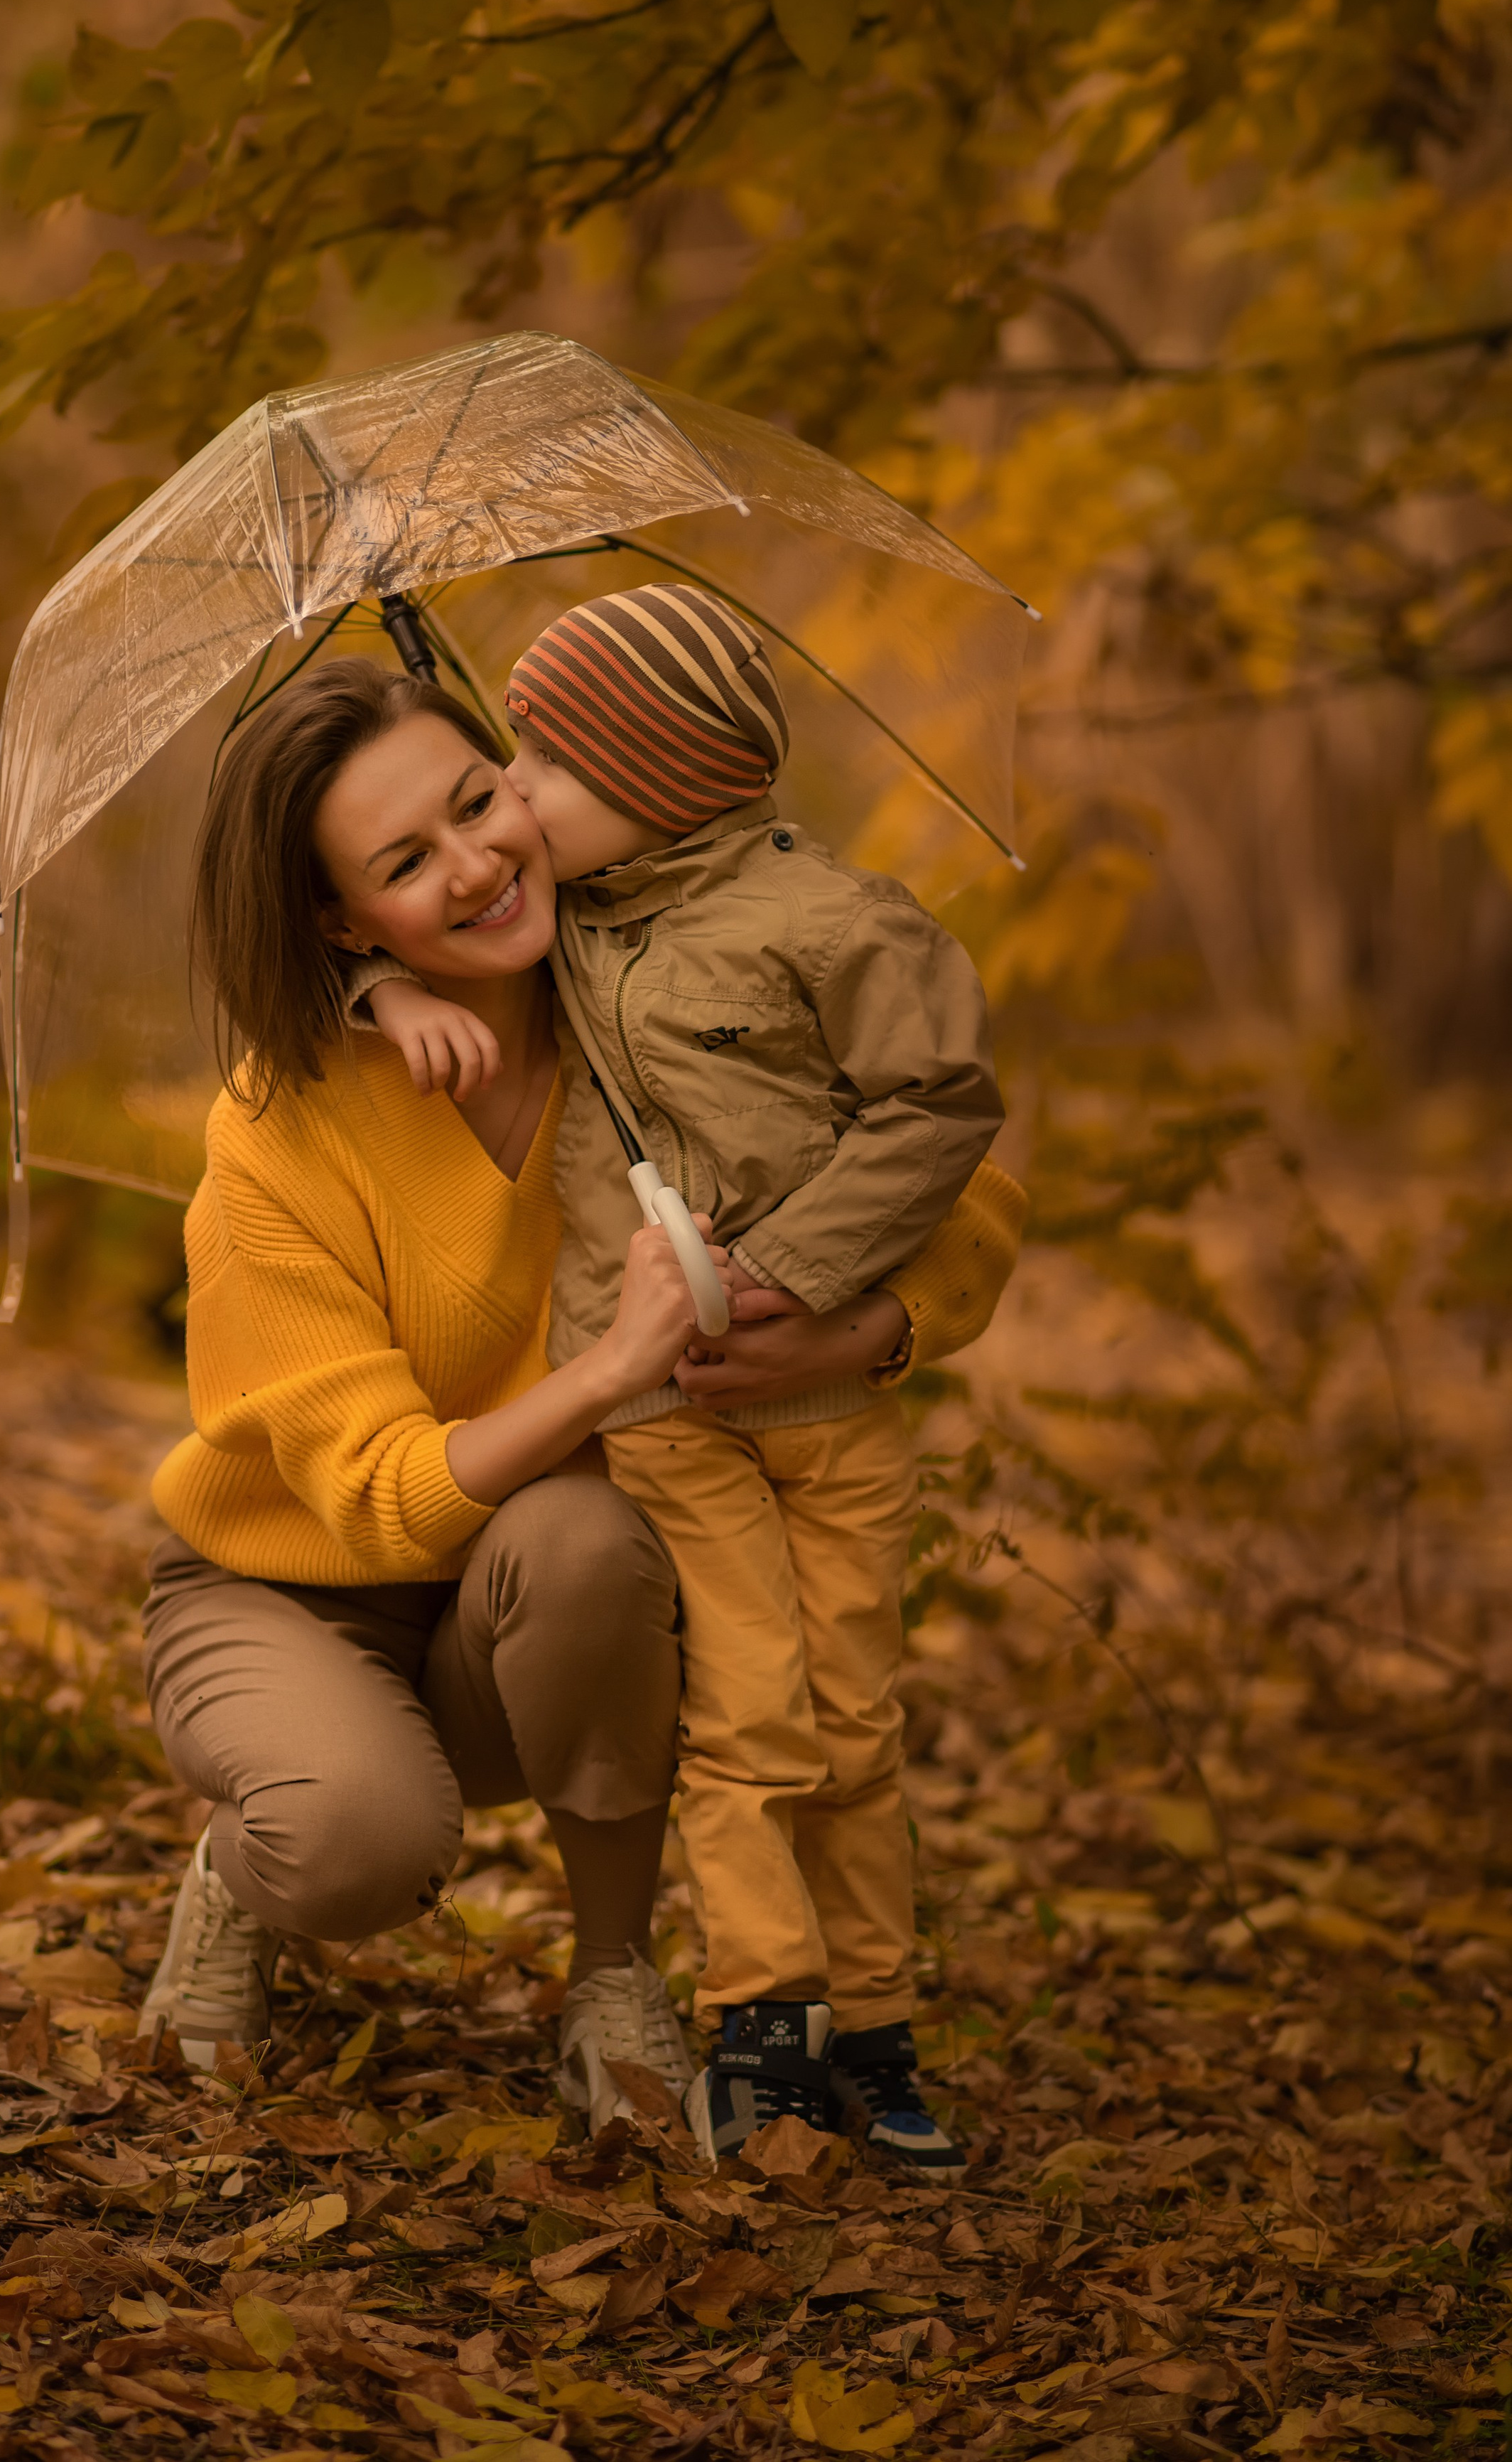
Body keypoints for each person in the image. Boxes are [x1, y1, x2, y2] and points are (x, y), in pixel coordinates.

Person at [134, 655, 941, 2143]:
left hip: (536, 1582)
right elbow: (379, 1497)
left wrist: (875, 1327)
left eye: (475, 801)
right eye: (401, 864)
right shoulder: (277, 1127)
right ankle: (240, 1879)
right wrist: (612, 1370)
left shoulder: (659, 997)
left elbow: (949, 1167)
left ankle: (612, 1977)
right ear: (339, 920)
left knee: (587, 1537)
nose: (475, 865)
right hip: (295, 1583)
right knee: (355, 1839)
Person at [362, 584, 1023, 2176]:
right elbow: (351, 928)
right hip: (670, 1418)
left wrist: (802, 1274)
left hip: (832, 1412)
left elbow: (942, 1107)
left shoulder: (838, 926)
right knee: (747, 1718)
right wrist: (381, 991)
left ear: (662, 782)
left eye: (546, 766)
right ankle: (763, 2021)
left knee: (853, 1719)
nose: (515, 801)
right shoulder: (560, 930)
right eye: (513, 757)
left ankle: (875, 2027)